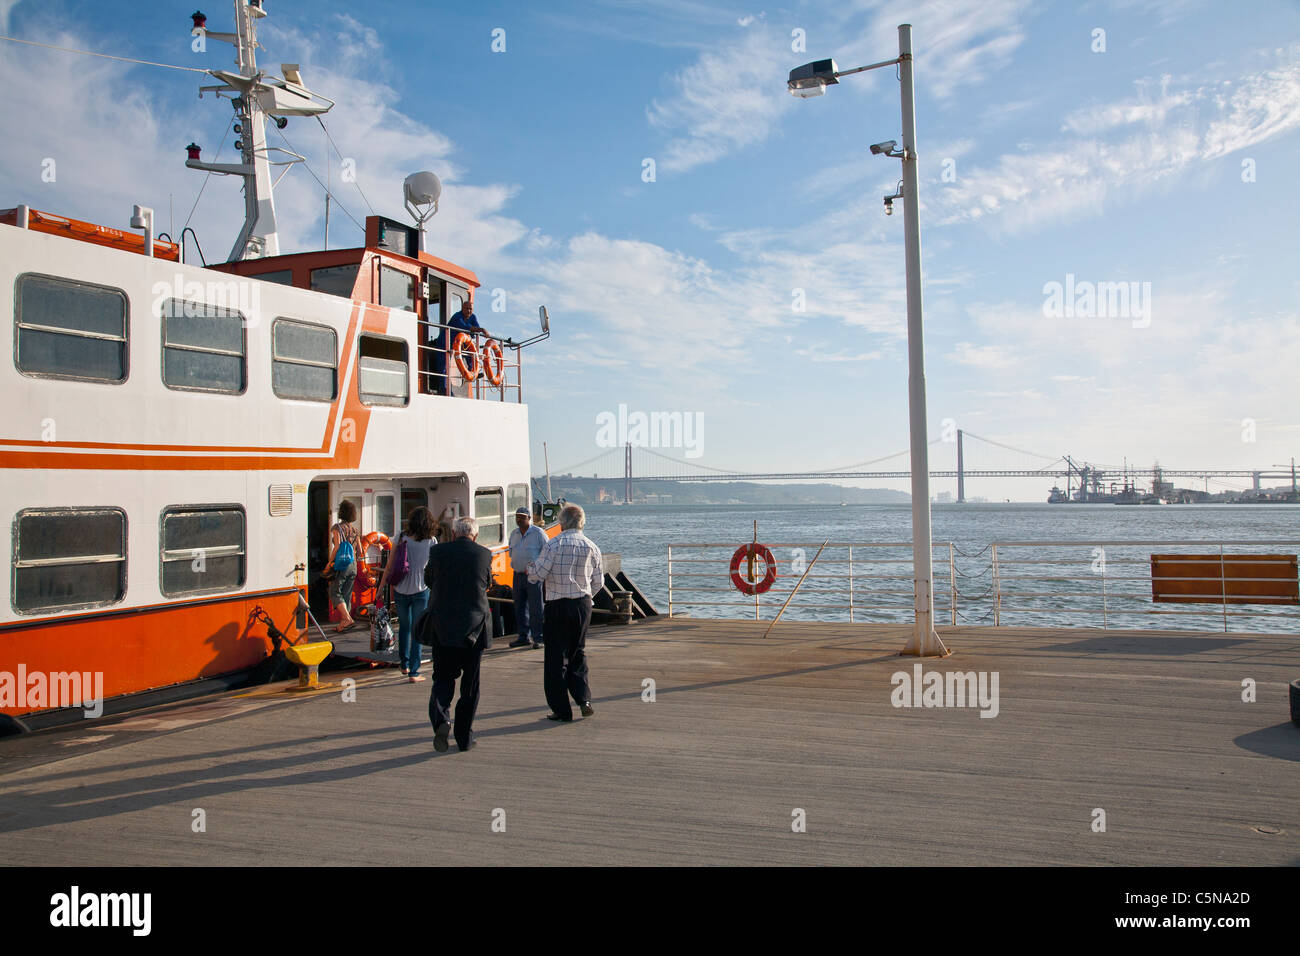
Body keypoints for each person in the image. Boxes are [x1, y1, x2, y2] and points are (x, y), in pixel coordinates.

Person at [424, 516, 494, 752]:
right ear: (475, 535)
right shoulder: (484, 554)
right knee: (470, 686)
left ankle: (442, 719)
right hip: (474, 628)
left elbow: (428, 579)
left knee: (442, 678)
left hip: (443, 625)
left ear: (453, 534)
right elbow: (487, 583)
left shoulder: (438, 552)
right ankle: (464, 738)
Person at [528, 504, 603, 722]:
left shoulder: (554, 544)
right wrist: (585, 594)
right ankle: (584, 699)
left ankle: (562, 709)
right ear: (582, 522)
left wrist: (530, 570)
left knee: (555, 658)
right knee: (578, 652)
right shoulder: (592, 547)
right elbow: (598, 583)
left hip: (557, 605)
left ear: (562, 522)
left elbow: (539, 574)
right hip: (582, 604)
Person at [375, 506, 437, 682]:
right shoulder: (431, 541)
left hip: (400, 588)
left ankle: (404, 664)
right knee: (417, 630)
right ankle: (414, 672)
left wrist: (381, 588)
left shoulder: (401, 537)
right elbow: (433, 566)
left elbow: (389, 565)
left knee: (404, 627)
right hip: (421, 588)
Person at [433, 296, 492, 395]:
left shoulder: (473, 317)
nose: (469, 311)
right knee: (443, 366)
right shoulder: (457, 317)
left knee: (471, 353)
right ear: (462, 308)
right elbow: (466, 328)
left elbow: (474, 329)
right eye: (466, 308)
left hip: (459, 344)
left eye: (470, 309)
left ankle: (472, 371)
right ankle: (444, 390)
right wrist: (482, 329)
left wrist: (478, 330)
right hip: (444, 342)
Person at [507, 506, 547, 649]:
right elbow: (511, 552)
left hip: (533, 576)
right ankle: (523, 636)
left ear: (529, 518)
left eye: (523, 517)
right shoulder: (513, 534)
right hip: (517, 575)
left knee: (536, 608)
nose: (519, 519)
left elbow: (546, 553)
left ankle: (539, 637)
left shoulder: (538, 533)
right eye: (517, 516)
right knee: (519, 607)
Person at [326, 500, 360, 632]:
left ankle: (347, 618)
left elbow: (338, 546)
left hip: (342, 564)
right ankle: (343, 623)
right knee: (346, 593)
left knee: (334, 591)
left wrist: (330, 562)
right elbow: (360, 550)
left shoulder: (337, 528)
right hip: (354, 565)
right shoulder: (355, 530)